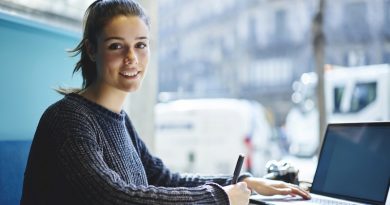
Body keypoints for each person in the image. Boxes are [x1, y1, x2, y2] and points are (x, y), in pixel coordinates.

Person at [20, 0, 311, 204]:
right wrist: (220, 198)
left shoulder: (118, 119)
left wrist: (242, 183)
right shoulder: (67, 119)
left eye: (141, 45)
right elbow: (112, 197)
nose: (132, 58)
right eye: (116, 46)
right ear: (92, 50)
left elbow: (161, 177)